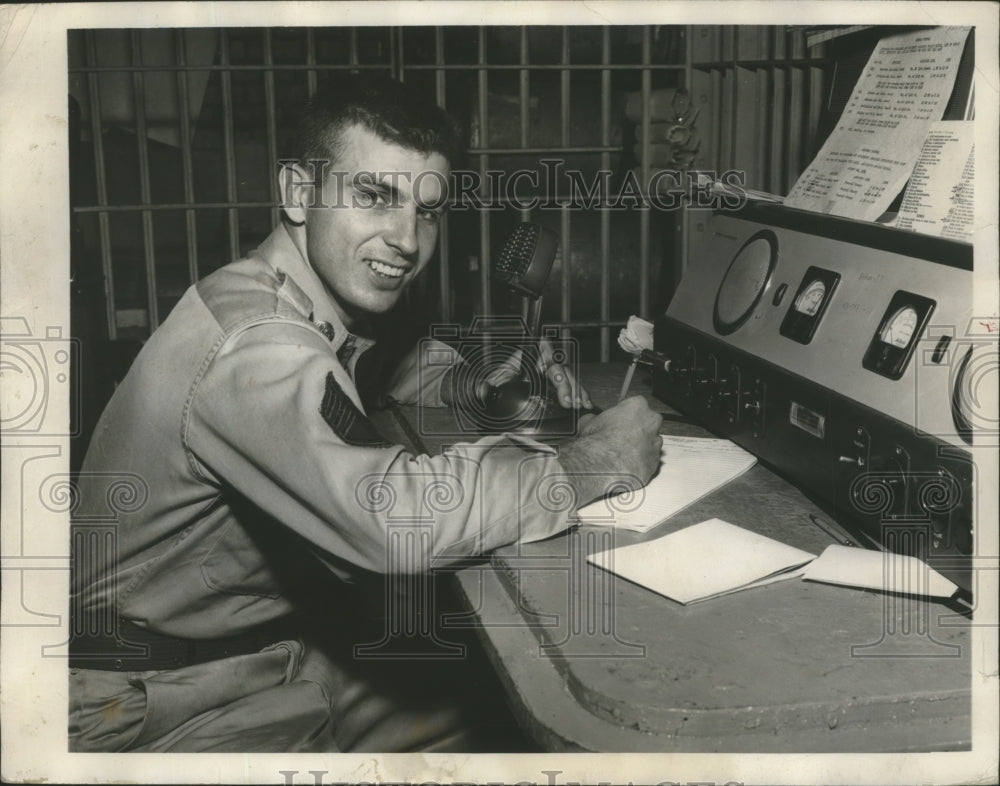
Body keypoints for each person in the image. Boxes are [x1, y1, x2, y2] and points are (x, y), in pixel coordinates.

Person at [68, 72, 663, 753]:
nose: (406, 239)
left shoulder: (276, 294)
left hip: (232, 659)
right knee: (535, 730)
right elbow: (393, 519)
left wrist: (482, 386)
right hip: (142, 708)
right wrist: (593, 462)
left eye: (428, 210)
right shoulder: (256, 349)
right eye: (375, 196)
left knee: (497, 698)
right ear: (298, 193)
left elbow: (378, 365)